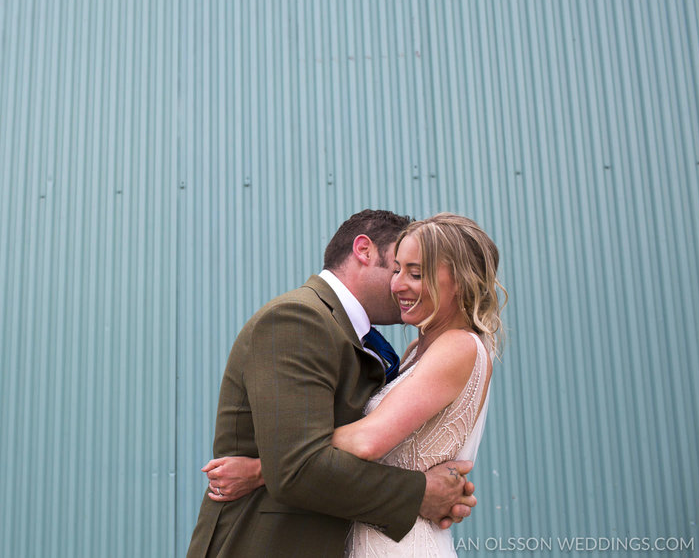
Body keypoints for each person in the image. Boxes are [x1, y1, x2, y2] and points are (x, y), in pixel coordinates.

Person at [202, 213, 506, 557]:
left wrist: (266, 467)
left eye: (414, 273)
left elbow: (364, 441)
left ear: (461, 280)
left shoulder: (455, 346)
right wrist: (282, 462)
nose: (398, 284)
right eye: (397, 269)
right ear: (363, 250)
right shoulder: (300, 319)